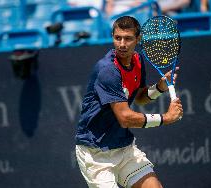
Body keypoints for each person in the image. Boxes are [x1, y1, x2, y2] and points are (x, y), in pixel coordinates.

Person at [75, 16, 183, 188]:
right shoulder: (107, 70)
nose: (122, 44)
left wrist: (160, 87)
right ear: (112, 37)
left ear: (138, 39)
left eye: (128, 38)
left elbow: (139, 97)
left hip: (124, 148)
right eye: (118, 38)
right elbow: (125, 118)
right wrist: (166, 118)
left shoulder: (138, 60)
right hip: (96, 154)